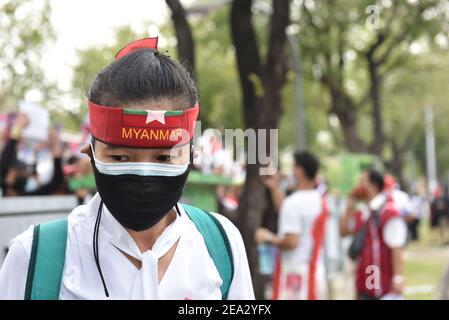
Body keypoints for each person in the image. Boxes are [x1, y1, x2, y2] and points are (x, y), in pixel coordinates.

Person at [0, 38, 254, 300]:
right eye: (120, 157)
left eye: (164, 158)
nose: (143, 173)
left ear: (191, 157)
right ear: (90, 153)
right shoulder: (35, 258)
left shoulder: (221, 244)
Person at [255, 151, 328, 300]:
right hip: (315, 274)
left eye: (293, 167)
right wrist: (275, 187)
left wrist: (267, 237)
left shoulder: (293, 203)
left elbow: (291, 241)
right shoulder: (319, 201)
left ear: (299, 170)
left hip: (293, 278)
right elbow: (288, 216)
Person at [340, 169, 407, 300]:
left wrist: (398, 277)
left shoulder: (388, 211)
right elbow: (344, 231)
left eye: (362, 182)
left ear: (374, 185)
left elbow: (397, 246)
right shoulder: (363, 212)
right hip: (364, 280)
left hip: (381, 282)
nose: (358, 186)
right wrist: (348, 207)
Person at [0, 113, 63, 197]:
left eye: (17, 170)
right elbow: (5, 161)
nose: (13, 172)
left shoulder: (28, 196)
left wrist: (55, 146)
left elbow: (56, 181)